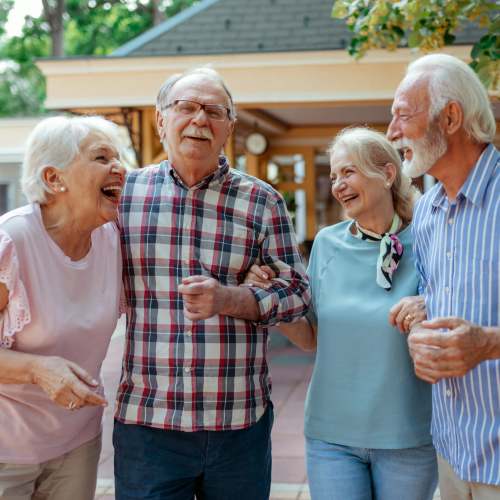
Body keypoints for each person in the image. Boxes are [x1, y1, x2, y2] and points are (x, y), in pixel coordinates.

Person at [113, 67, 310, 500]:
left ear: (229, 128)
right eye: (186, 107)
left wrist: (232, 298)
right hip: (150, 423)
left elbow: (297, 293)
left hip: (238, 422)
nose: (200, 119)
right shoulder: (124, 196)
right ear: (161, 121)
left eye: (214, 111)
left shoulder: (262, 201)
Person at [246, 127, 438, 500]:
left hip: (407, 434)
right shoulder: (327, 243)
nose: (337, 185)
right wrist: (271, 299)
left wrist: (433, 306)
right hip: (331, 433)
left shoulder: (430, 241)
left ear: (386, 173)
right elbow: (312, 337)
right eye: (334, 176)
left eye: (348, 172)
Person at [387, 53, 499, 499]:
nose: (392, 133)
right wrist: (422, 317)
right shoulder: (428, 215)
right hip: (451, 453)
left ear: (450, 117)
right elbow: (449, 298)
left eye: (401, 116)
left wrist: (488, 343)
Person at [0, 115, 126, 500]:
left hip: (78, 442)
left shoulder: (114, 240)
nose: (119, 168)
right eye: (102, 157)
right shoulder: (12, 242)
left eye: (118, 157)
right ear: (54, 179)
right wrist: (38, 369)